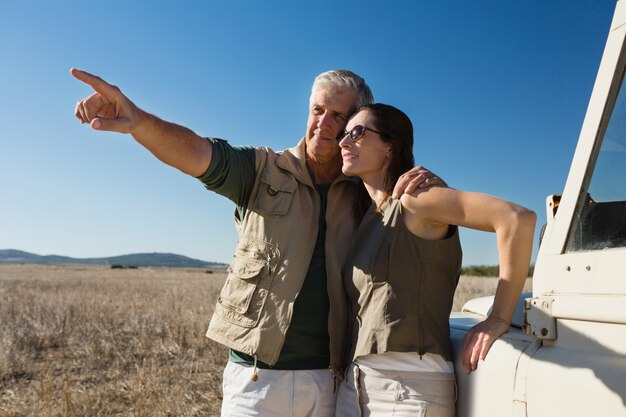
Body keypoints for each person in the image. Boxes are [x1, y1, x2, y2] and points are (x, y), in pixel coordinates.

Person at [71, 69, 444, 417]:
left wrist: (422, 179)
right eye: (317, 110)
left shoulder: (368, 194)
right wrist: (137, 120)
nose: (323, 124)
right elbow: (197, 153)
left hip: (332, 380)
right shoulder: (262, 168)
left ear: (356, 126)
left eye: (338, 116)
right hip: (255, 379)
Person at [334, 103, 536, 417]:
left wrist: (498, 318)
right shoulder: (369, 219)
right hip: (355, 387)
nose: (344, 142)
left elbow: (516, 219)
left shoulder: (417, 199)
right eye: (343, 135)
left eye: (357, 133)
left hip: (409, 392)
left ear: (390, 145)